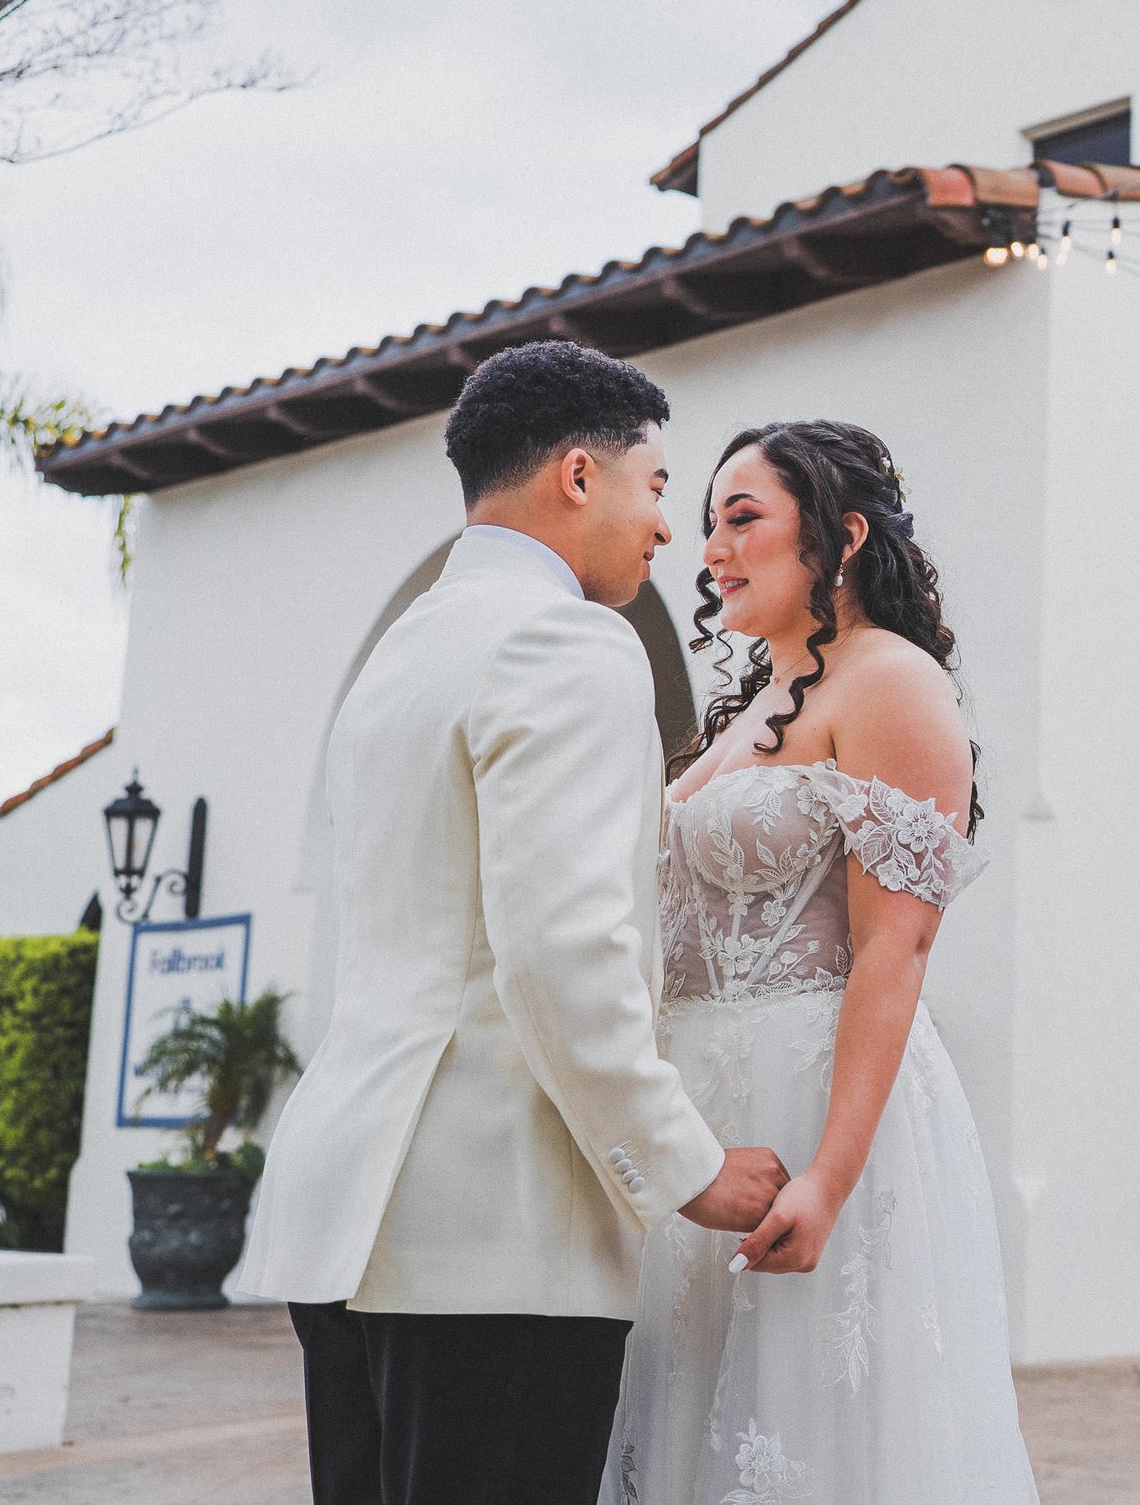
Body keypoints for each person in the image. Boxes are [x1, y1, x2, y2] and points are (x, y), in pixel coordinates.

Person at [236, 341, 790, 1505]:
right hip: (494, 1238)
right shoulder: (569, 642)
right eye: (654, 488)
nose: (666, 531)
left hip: (355, 1221)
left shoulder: (407, 647)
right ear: (578, 476)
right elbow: (562, 951)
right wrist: (686, 1164)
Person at [603, 420, 1037, 1504]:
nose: (711, 547)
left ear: (841, 535)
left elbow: (898, 943)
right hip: (704, 1120)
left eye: (742, 518)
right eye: (707, 524)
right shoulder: (744, 711)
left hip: (816, 1111)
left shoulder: (892, 682)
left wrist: (832, 1177)